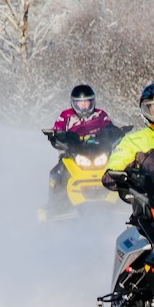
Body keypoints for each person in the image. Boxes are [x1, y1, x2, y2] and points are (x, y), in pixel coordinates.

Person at [43, 84, 115, 218]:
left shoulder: (100, 115)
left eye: (87, 103)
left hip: (98, 152)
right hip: (72, 154)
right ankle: (57, 206)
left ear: (92, 102)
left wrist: (115, 133)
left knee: (117, 168)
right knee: (57, 172)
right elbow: (57, 130)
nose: (84, 107)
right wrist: (56, 137)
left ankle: (119, 202)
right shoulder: (66, 116)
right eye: (80, 104)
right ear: (73, 103)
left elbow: (109, 128)